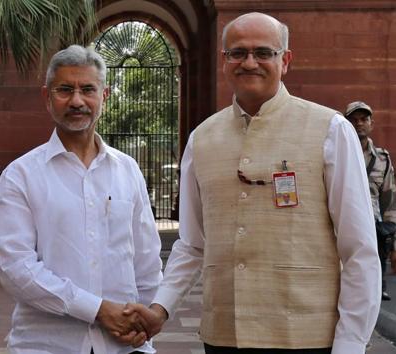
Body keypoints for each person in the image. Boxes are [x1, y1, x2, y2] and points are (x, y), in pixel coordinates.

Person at [124, 12, 380, 354]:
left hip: (306, 337)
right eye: (238, 53)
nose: (250, 63)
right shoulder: (202, 138)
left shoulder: (329, 130)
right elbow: (192, 244)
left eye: (263, 53)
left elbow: (359, 248)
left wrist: (351, 343)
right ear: (225, 61)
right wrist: (161, 308)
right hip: (223, 337)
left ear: (285, 60)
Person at [0, 45, 163, 354]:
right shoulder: (21, 175)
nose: (76, 101)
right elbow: (16, 269)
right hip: (46, 345)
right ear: (47, 97)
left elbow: (146, 259)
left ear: (105, 96)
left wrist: (144, 320)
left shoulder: (127, 170)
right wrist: (97, 309)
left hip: (124, 346)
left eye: (87, 89)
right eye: (65, 90)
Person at [344, 101, 396, 301]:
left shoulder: (382, 159)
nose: (359, 123)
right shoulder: (335, 154)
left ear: (371, 124)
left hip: (373, 233)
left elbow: (390, 203)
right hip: (342, 232)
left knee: (372, 295)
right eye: (353, 120)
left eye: (364, 119)